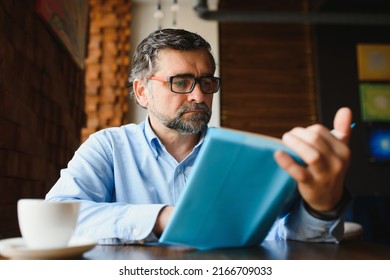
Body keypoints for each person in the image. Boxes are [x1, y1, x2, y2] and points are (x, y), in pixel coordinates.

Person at [46, 28, 353, 245]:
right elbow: (56, 217)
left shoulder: (246, 154)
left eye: (207, 82)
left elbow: (284, 237)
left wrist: (321, 208)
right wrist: (165, 218)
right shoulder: (109, 146)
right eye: (181, 82)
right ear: (142, 92)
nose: (198, 95)